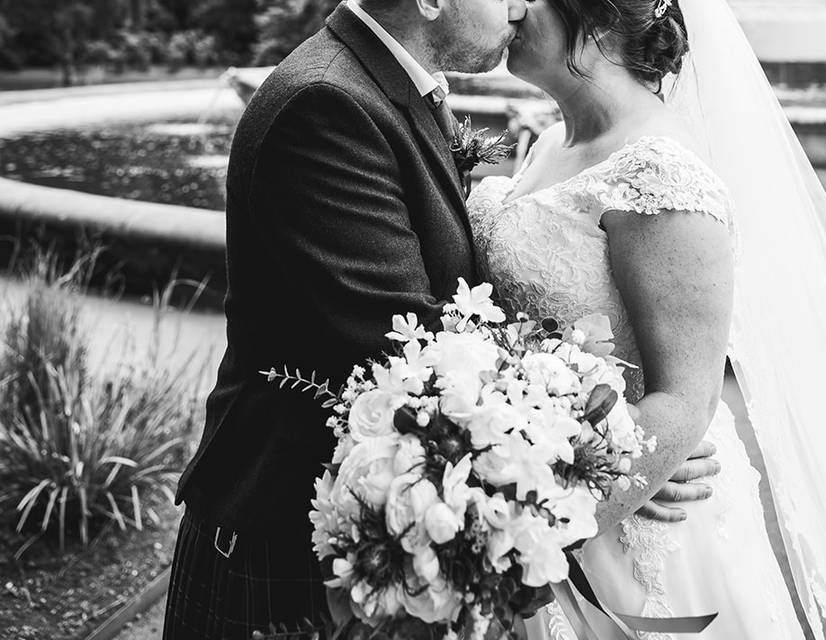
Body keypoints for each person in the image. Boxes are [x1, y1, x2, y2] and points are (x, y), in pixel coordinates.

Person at [162, 0, 718, 637]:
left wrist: (628, 457)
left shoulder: (395, 86)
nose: (515, 7)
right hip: (292, 535)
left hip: (406, 517)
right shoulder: (327, 105)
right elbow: (412, 355)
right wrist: (594, 470)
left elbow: (676, 386)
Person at [467, 0, 826, 637]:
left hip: (623, 535)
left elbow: (683, 401)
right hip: (545, 482)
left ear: (599, 15)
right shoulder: (554, 140)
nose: (508, 6)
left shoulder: (659, 172)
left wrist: (535, 524)